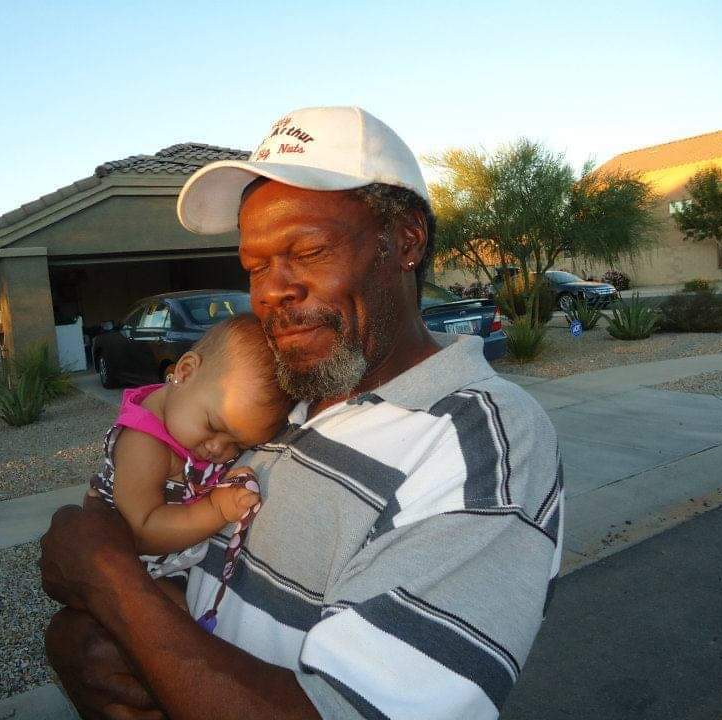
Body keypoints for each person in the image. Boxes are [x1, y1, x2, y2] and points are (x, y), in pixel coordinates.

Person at [40, 106, 562, 720]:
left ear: (407, 242)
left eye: (308, 250)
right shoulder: (277, 399)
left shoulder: (480, 444)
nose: (270, 291)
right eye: (255, 266)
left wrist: (110, 585)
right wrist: (108, 639)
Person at [86, 314, 292, 622]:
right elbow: (140, 531)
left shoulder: (187, 418)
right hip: (133, 566)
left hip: (172, 562)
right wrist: (217, 509)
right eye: (212, 425)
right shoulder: (145, 444)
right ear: (184, 372)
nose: (217, 449)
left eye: (237, 446)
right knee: (175, 620)